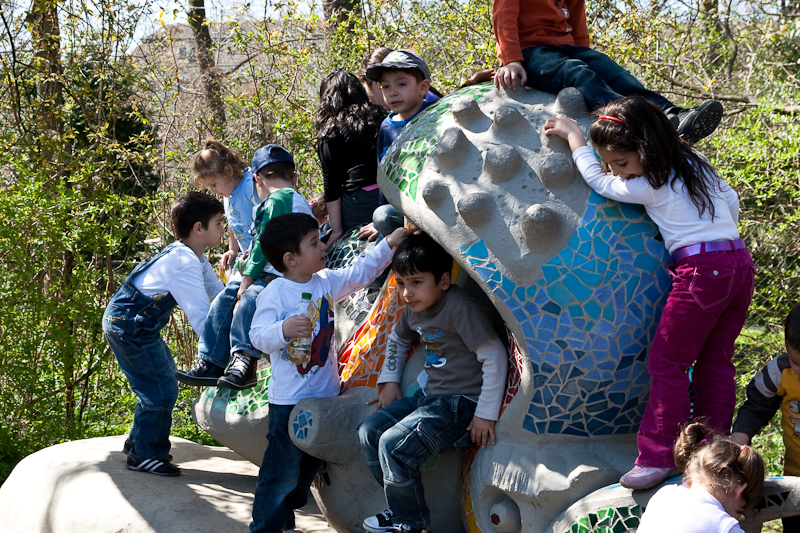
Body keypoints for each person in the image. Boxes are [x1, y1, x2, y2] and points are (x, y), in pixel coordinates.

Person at [544, 95, 755, 489]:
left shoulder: (653, 184)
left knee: (667, 363)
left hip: (701, 271)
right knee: (716, 362)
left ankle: (659, 457)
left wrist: (576, 138)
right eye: (611, 163)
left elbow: (598, 182)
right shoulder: (695, 161)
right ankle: (713, 452)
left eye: (622, 163)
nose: (617, 171)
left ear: (646, 149)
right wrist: (717, 236)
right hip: (739, 263)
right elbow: (730, 199)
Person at [247, 213, 414, 533]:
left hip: (326, 397)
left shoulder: (324, 281)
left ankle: (284, 515)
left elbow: (358, 273)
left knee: (307, 468)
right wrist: (283, 329)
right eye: (314, 243)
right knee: (280, 473)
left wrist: (389, 243)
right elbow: (257, 336)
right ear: (290, 259)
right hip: (289, 403)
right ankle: (265, 527)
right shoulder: (275, 292)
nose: (324, 246)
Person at [358, 233, 508, 533]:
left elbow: (494, 355)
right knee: (369, 431)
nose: (407, 293)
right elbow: (397, 338)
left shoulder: (460, 309)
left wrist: (485, 413)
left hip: (461, 404)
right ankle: (400, 508)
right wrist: (390, 380)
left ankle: (412, 524)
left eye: (416, 282)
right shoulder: (414, 311)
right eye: (401, 283)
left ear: (443, 281)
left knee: (393, 445)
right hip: (430, 397)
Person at [102, 192, 225, 476]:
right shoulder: (183, 262)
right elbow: (202, 318)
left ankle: (138, 442)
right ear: (198, 228)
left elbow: (217, 293)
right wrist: (224, 353)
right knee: (160, 388)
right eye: (219, 223)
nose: (223, 229)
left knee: (159, 381)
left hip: (135, 324)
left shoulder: (192, 256)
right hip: (129, 326)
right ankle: (145, 455)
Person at [175, 145, 314, 391]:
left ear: (255, 179)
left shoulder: (273, 197)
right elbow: (243, 228)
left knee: (250, 298)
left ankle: (245, 360)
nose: (213, 190)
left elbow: (263, 239)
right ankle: (211, 361)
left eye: (213, 184)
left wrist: (248, 276)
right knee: (224, 298)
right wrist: (237, 253)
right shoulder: (261, 199)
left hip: (276, 269)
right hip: (262, 265)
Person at [492, 0, 724, 145]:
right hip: (532, 52)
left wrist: (588, 56)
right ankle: (635, 119)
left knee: (613, 72)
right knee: (577, 72)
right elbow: (503, 16)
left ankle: (671, 115)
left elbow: (578, 26)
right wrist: (511, 60)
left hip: (567, 47)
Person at [730, 302, 800, 530]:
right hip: (796, 482)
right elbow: (757, 406)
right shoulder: (779, 372)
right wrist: (740, 435)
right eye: (796, 362)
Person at [365, 49, 442, 238]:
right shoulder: (387, 127)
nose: (393, 92)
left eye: (401, 84)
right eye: (386, 86)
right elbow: (384, 175)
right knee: (382, 215)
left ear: (423, 87)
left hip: (438, 204)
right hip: (405, 210)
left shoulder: (437, 116)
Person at [637, 422, 765, 533]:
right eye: (739, 512)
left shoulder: (663, 495)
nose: (736, 518)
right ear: (739, 491)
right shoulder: (725, 527)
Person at [315, 69, 387, 244]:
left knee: (323, 234)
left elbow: (331, 184)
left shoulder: (329, 131)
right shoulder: (381, 115)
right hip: (388, 194)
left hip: (359, 201)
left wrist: (336, 231)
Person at [193, 139, 259, 279]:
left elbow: (269, 217)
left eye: (213, 184)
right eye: (209, 186)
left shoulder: (250, 186)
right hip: (246, 256)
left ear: (228, 171)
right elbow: (233, 221)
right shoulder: (228, 192)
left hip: (263, 257)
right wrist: (232, 249)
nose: (212, 190)